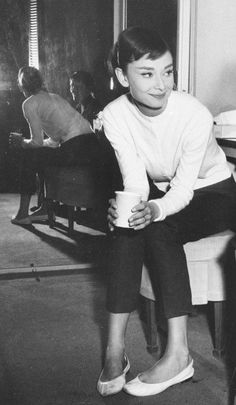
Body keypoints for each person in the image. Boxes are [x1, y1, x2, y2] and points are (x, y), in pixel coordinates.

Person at [96, 26, 236, 397]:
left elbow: (185, 189)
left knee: (159, 228)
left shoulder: (194, 114)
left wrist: (154, 211)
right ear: (122, 76)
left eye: (168, 71)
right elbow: (137, 181)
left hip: (216, 192)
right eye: (147, 73)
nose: (161, 84)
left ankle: (178, 354)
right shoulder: (114, 116)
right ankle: (114, 351)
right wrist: (131, 207)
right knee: (127, 225)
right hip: (164, 190)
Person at [9, 66, 103, 225]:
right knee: (41, 155)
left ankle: (22, 214)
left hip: (76, 147)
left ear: (22, 86)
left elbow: (37, 142)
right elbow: (53, 140)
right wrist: (30, 143)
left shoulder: (29, 103)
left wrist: (21, 142)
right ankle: (46, 209)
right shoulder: (54, 97)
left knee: (28, 156)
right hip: (91, 146)